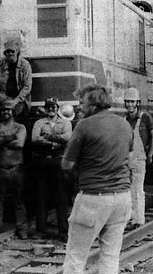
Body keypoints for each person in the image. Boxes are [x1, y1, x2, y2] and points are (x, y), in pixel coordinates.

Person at [61, 84, 133, 274]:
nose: (79, 107)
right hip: (122, 197)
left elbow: (66, 165)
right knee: (110, 256)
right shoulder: (124, 124)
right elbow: (129, 158)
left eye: (82, 103)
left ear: (93, 105)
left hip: (93, 198)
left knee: (76, 256)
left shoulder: (84, 126)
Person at [31, 97, 73, 241]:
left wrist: (49, 137)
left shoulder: (65, 123)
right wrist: (54, 142)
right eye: (48, 107)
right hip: (43, 162)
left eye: (54, 107)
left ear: (58, 108)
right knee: (41, 196)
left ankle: (63, 231)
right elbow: (35, 138)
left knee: (61, 197)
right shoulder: (39, 123)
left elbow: (68, 137)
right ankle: (41, 230)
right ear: (45, 108)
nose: (51, 109)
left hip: (58, 162)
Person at [0, 100, 28, 239]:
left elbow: (20, 143)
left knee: (19, 200)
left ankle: (22, 228)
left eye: (9, 110)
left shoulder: (20, 127)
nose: (6, 112)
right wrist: (11, 138)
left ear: (13, 112)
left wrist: (2, 140)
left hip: (15, 168)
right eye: (4, 110)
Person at [124, 87, 153, 229]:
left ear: (138, 102)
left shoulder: (145, 117)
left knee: (138, 189)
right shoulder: (125, 119)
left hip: (139, 159)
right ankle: (130, 218)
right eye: (127, 102)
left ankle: (139, 220)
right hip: (126, 160)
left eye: (132, 102)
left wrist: (150, 154)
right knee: (127, 190)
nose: (130, 105)